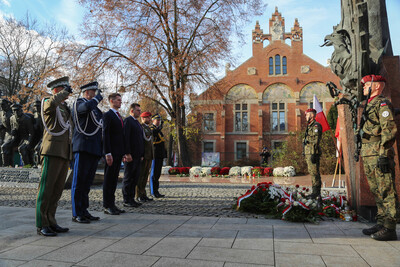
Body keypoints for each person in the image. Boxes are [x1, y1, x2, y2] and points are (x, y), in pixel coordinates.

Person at [359, 75, 398, 241]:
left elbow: (389, 129)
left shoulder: (382, 104)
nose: (363, 87)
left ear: (376, 86)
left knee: (386, 190)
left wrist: (383, 153)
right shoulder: (369, 104)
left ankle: (390, 227)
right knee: (376, 190)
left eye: (366, 84)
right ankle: (382, 222)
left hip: (379, 152)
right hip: (369, 153)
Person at [35, 76, 73, 236]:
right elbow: (51, 104)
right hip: (51, 151)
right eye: (65, 89)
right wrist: (61, 94)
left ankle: (51, 220)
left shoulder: (64, 108)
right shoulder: (48, 102)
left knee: (57, 190)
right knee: (46, 189)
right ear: (57, 90)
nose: (68, 92)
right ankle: (41, 223)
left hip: (64, 152)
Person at [71, 81, 103, 223]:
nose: (95, 94)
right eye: (93, 92)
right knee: (79, 181)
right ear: (87, 92)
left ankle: (84, 210)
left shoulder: (96, 109)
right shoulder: (79, 103)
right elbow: (84, 109)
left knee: (87, 183)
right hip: (83, 146)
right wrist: (96, 100)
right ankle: (76, 212)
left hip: (93, 148)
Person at [102, 93, 126, 215]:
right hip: (111, 152)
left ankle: (112, 204)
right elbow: (105, 134)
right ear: (111, 101)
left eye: (120, 100)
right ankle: (107, 205)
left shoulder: (119, 116)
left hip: (118, 152)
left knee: (113, 180)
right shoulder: (108, 115)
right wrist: (107, 152)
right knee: (108, 179)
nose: (120, 102)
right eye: (118, 100)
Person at [122, 103, 144, 207]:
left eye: (140, 110)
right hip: (130, 155)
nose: (139, 112)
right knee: (128, 177)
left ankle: (132, 198)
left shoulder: (137, 123)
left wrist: (142, 154)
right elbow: (126, 138)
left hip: (137, 155)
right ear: (132, 111)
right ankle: (126, 199)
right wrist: (127, 153)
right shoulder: (128, 121)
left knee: (135, 177)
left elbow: (140, 140)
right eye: (138, 110)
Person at [303, 108, 322, 199]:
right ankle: (314, 192)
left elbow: (316, 140)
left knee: (315, 173)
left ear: (311, 115)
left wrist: (314, 153)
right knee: (311, 172)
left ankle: (316, 193)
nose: (305, 117)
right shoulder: (309, 126)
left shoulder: (316, 126)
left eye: (307, 115)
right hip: (308, 152)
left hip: (312, 152)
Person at [136, 111, 154, 203]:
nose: (150, 119)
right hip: (144, 155)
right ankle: (138, 195)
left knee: (145, 175)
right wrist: (141, 154)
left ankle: (143, 194)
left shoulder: (148, 128)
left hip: (149, 155)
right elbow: (141, 142)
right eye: (148, 117)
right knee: (141, 175)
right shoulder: (141, 127)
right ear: (143, 118)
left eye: (150, 117)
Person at [150, 114, 167, 198]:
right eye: (157, 120)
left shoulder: (158, 130)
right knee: (153, 174)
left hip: (159, 154)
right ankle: (153, 191)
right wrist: (158, 129)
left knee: (157, 174)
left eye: (159, 120)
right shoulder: (152, 129)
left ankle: (156, 191)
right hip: (154, 154)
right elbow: (152, 135)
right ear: (153, 120)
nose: (158, 122)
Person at [0, 98, 14, 166]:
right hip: (6, 134)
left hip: (13, 134)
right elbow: (4, 124)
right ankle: (9, 165)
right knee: (8, 152)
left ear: (7, 105)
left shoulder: (12, 112)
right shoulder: (1, 113)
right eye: (0, 105)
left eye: (3, 105)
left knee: (4, 147)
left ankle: (5, 166)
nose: (1, 106)